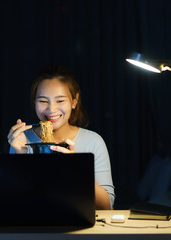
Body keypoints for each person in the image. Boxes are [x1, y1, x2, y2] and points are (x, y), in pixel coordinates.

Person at [7, 65, 115, 210]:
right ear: (34, 102)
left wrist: (76, 167)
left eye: (60, 101)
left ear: (74, 101)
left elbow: (106, 206)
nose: (51, 109)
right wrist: (22, 155)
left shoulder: (94, 141)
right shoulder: (22, 141)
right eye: (43, 101)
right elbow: (15, 202)